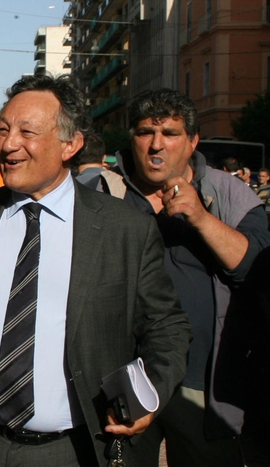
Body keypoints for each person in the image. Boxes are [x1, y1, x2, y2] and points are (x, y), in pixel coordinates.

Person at [0, 74, 191, 467]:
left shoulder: (124, 229)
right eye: (4, 130)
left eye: (27, 132)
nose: (8, 144)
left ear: (70, 144)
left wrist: (151, 394)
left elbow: (167, 327)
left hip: (74, 450)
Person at [100, 88, 270, 466]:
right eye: (145, 132)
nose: (156, 145)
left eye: (170, 133)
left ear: (192, 141)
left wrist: (202, 218)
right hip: (123, 376)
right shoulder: (101, 192)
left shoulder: (230, 193)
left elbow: (256, 271)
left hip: (202, 384)